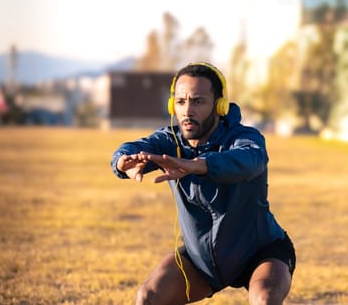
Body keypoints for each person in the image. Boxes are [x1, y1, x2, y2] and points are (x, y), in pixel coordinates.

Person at [111, 62, 295, 305]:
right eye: (180, 101)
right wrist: (122, 162)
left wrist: (200, 165)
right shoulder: (170, 141)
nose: (187, 111)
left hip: (260, 251)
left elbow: (250, 160)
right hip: (204, 259)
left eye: (197, 101)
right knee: (148, 297)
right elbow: (133, 148)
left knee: (265, 298)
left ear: (220, 105)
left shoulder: (244, 138)